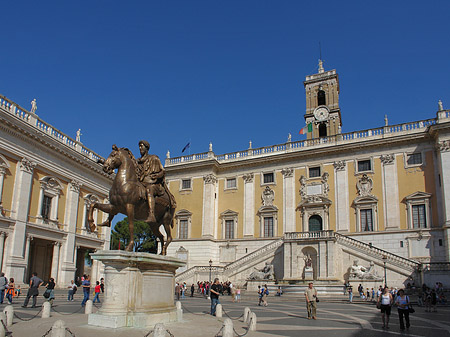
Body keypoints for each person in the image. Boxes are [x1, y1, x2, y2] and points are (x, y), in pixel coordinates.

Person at [137, 140, 168, 223]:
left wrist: (157, 176)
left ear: (146, 147)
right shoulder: (138, 161)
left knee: (149, 189)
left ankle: (151, 214)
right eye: (139, 146)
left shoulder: (154, 158)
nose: (140, 148)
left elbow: (163, 171)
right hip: (142, 183)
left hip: (153, 184)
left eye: (141, 146)